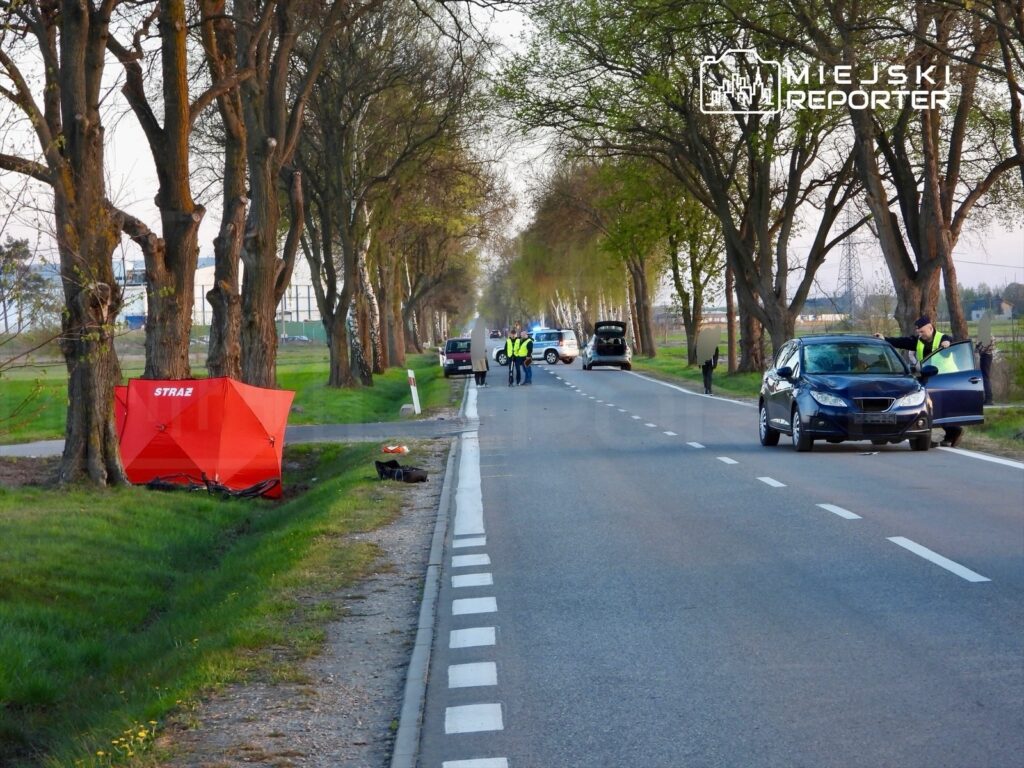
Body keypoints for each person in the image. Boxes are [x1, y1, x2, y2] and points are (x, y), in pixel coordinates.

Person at [875, 315, 961, 447]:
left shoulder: (942, 338)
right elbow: (902, 342)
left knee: (941, 408)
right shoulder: (918, 341)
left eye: (922, 331)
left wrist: (948, 343)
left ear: (930, 328)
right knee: (930, 408)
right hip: (930, 378)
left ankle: (953, 432)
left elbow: (950, 340)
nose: (920, 334)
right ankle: (932, 436)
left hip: (947, 379)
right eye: (918, 332)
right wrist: (885, 339)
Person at [975, 337, 995, 406]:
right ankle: (987, 399)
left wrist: (977, 347)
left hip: (986, 356)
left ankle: (989, 399)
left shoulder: (987, 335)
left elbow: (982, 349)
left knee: (985, 378)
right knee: (985, 378)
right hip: (985, 356)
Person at [470, 321, 489, 387]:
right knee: (478, 370)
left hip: (481, 354)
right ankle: (478, 383)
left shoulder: (480, 333)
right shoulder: (475, 333)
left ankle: (482, 383)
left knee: (483, 370)